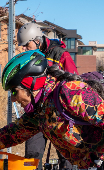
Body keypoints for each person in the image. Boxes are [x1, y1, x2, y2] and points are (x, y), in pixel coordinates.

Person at [17, 22, 77, 162]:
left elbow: (75, 84)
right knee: (31, 158)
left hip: (60, 116)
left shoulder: (61, 55)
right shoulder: (29, 57)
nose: (24, 49)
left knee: (67, 161)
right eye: (23, 46)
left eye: (27, 45)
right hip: (38, 113)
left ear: (37, 41)